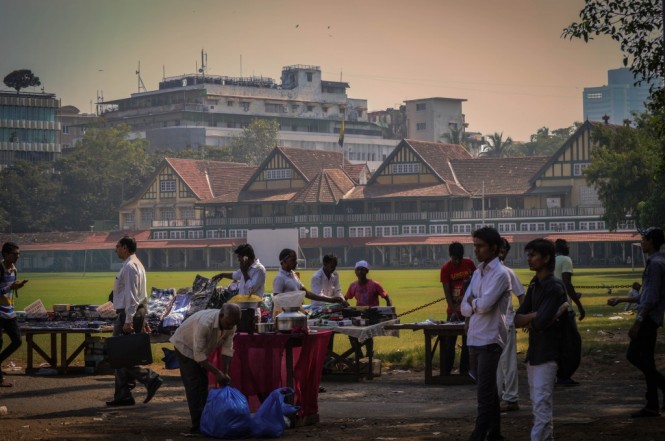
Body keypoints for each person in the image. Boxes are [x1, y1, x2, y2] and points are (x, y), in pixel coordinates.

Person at [607, 227, 665, 418]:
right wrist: (621, 300)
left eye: (644, 239)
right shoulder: (654, 262)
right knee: (646, 359)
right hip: (650, 316)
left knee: (634, 355)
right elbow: (645, 295)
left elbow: (651, 298)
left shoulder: (656, 264)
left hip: (649, 318)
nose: (641, 242)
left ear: (651, 241)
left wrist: (638, 322)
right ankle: (652, 404)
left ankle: (660, 389)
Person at [515, 238, 568, 441]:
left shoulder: (554, 287)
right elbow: (517, 319)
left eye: (533, 255)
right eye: (529, 255)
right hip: (535, 353)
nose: (529, 259)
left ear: (546, 258)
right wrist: (540, 315)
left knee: (541, 404)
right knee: (539, 405)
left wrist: (537, 318)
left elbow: (538, 323)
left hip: (548, 353)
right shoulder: (535, 284)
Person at [461, 227, 510, 441]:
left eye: (480, 246)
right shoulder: (477, 272)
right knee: (487, 390)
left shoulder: (500, 274)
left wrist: (473, 303)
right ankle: (495, 433)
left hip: (490, 339)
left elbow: (486, 305)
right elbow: (464, 306)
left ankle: (478, 435)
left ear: (494, 248)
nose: (476, 251)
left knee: (484, 393)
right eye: (475, 246)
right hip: (474, 337)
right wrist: (473, 303)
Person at [106, 236, 163, 407]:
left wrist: (128, 320)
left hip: (128, 313)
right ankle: (123, 395)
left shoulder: (130, 267)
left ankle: (149, 378)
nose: (115, 249)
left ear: (124, 247)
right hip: (134, 311)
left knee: (119, 355)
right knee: (123, 354)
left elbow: (132, 296)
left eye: (117, 246)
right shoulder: (135, 264)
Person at [170, 303, 242, 435]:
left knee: (203, 383)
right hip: (185, 346)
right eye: (228, 324)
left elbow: (227, 349)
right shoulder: (205, 324)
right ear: (221, 315)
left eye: (232, 325)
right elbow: (198, 355)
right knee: (194, 385)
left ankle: (205, 421)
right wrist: (217, 372)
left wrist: (225, 372)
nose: (230, 327)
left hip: (200, 350)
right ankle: (197, 425)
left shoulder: (231, 324)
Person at [496, 238, 525, 412]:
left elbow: (521, 296)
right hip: (491, 325)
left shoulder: (507, 272)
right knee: (497, 363)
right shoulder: (482, 271)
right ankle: (499, 396)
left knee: (507, 361)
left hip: (505, 322)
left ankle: (511, 397)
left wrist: (520, 317)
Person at [440, 242, 476, 375]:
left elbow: (477, 281)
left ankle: (464, 372)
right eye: (455, 259)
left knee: (467, 342)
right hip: (453, 311)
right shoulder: (446, 268)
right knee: (450, 343)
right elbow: (447, 291)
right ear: (450, 256)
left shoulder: (469, 264)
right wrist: (453, 311)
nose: (457, 261)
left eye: (459, 259)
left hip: (469, 311)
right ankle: (446, 372)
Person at [344, 260, 392, 360]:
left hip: (373, 315)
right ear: (355, 272)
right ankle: (359, 354)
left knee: (367, 334)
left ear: (367, 271)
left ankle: (369, 354)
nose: (360, 272)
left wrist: (389, 312)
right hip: (360, 313)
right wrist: (346, 306)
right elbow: (345, 299)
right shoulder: (353, 286)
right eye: (358, 270)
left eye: (362, 270)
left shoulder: (374, 284)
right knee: (351, 333)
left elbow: (387, 297)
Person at [553, 238, 585, 387]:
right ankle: (564, 375)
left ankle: (557, 374)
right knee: (572, 343)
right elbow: (567, 282)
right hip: (565, 307)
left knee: (558, 343)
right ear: (564, 247)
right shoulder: (566, 260)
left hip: (552, 307)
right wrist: (579, 304)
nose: (570, 247)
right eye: (568, 245)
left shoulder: (552, 261)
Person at [272, 248, 346, 305]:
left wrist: (331, 300)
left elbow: (306, 293)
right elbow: (276, 300)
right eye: (293, 260)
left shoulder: (293, 274)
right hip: (286, 314)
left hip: (296, 311)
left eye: (296, 260)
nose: (296, 262)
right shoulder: (280, 278)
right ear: (284, 262)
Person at [0, 242, 28, 388]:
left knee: (17, 341)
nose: (18, 256)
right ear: (5, 254)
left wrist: (16, 286)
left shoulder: (14, 269)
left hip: (9, 311)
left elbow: (10, 290)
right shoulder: (0, 268)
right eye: (15, 254)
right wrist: (11, 286)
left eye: (18, 254)